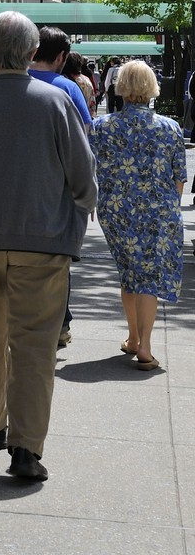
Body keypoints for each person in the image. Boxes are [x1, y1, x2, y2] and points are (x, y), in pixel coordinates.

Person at [0, 12, 97, 480]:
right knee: (34, 348)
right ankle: (25, 449)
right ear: (32, 52)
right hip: (44, 242)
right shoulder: (56, 101)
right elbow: (83, 175)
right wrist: (80, 215)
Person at [90, 59, 185, 371]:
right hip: (159, 211)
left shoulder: (102, 127)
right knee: (149, 276)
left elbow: (92, 170)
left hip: (116, 210)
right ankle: (145, 345)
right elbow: (179, 178)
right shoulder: (169, 128)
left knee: (129, 271)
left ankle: (133, 338)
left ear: (121, 86)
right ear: (152, 86)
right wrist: (168, 209)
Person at [30, 27, 92, 348]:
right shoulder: (68, 87)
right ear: (61, 57)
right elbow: (83, 142)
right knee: (57, 262)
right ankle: (60, 325)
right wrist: (87, 192)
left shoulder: (9, 82)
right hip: (59, 190)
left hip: (14, 192)